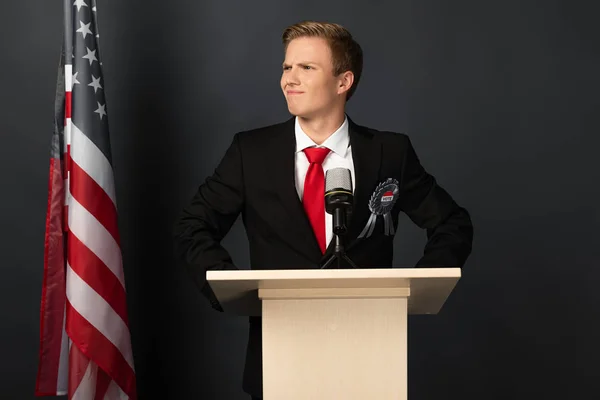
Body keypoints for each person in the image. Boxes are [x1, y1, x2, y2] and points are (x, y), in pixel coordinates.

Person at [173, 20, 473, 400]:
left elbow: (452, 222)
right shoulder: (251, 153)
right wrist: (231, 288)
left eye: (306, 68)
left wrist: (419, 288)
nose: (289, 79)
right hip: (278, 356)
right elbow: (192, 226)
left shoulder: (389, 153)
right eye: (286, 67)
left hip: (371, 356)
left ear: (343, 81)